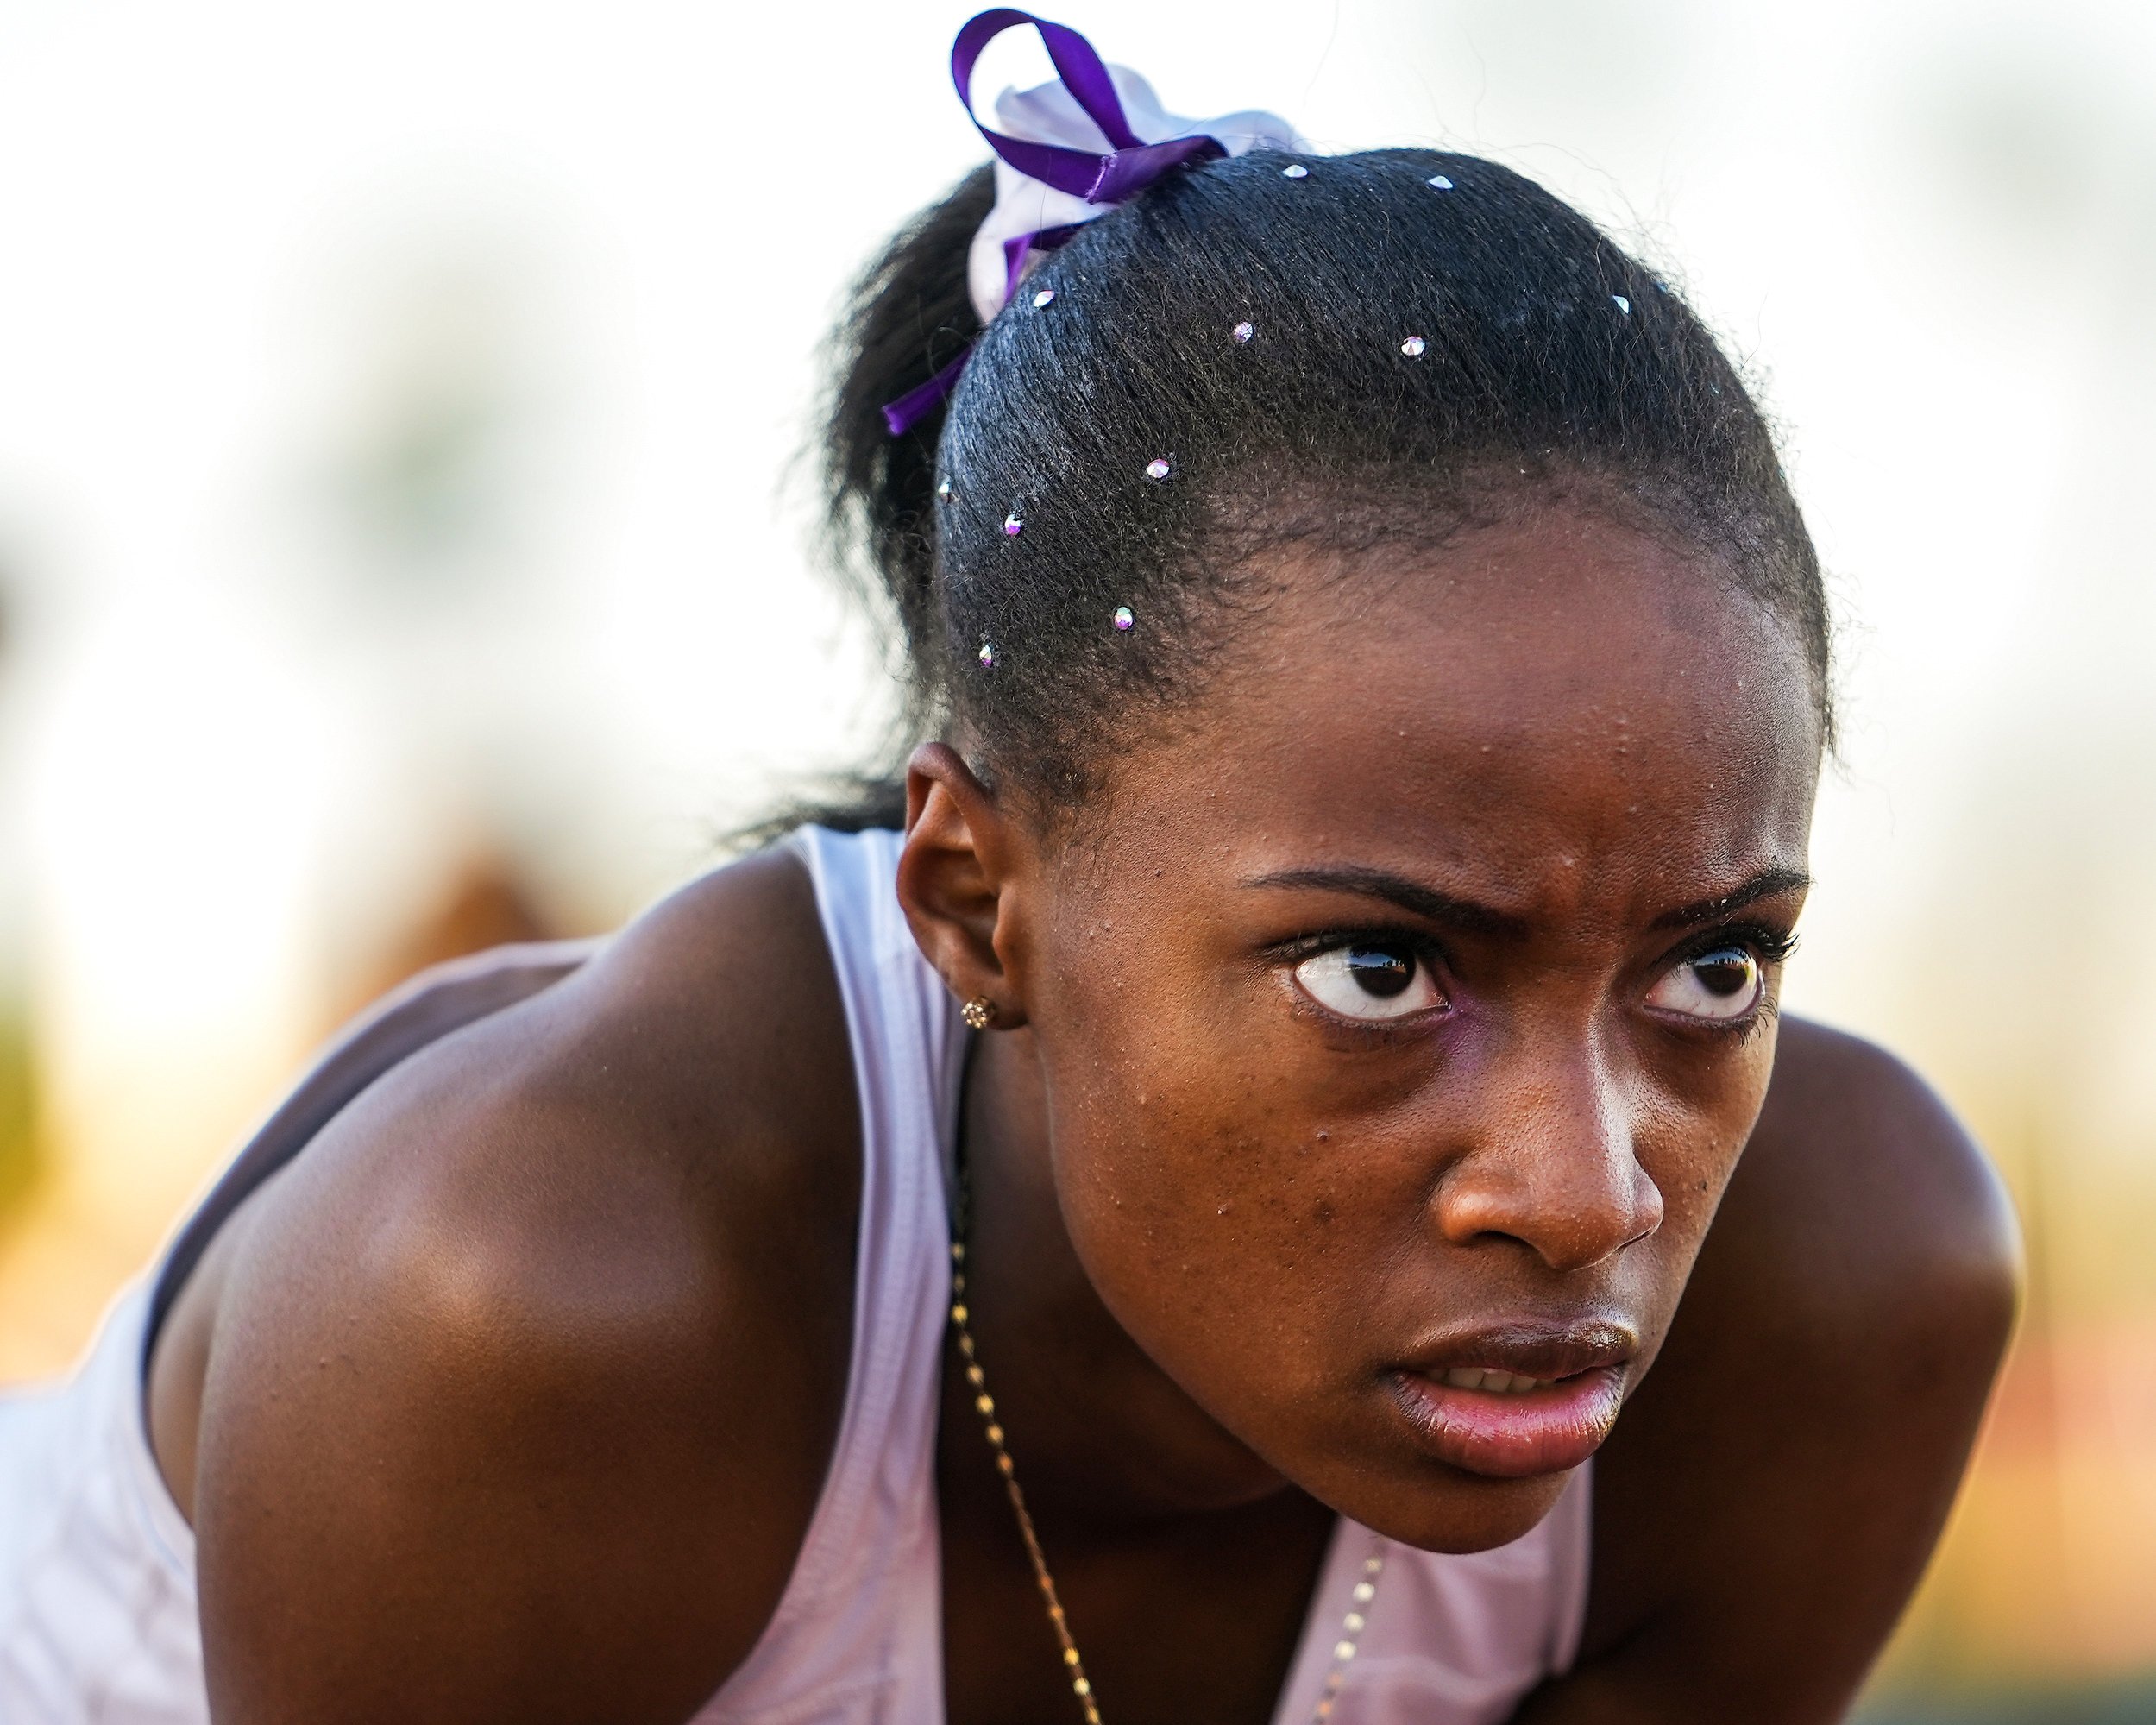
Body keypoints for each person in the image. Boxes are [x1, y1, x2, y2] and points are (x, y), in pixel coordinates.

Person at [0, 12, 2016, 1722]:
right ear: (975, 899)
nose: (1587, 1190)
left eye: (1712, 969)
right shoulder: (543, 1306)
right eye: (1380, 971)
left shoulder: (1837, 1295)